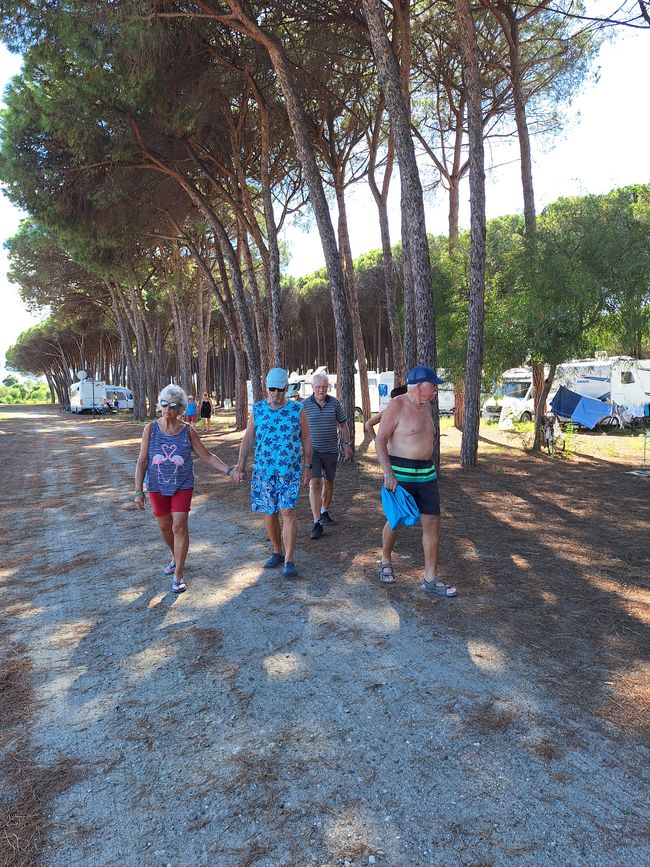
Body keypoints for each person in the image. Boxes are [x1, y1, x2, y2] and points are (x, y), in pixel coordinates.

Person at [133, 384, 235, 594]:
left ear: (180, 408)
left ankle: (178, 574)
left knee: (179, 526)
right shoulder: (150, 429)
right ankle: (175, 555)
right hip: (156, 485)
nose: (167, 409)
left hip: (182, 485)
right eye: (164, 404)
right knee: (165, 527)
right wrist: (138, 490)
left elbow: (206, 456)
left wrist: (229, 470)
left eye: (172, 406)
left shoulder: (188, 431)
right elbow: (142, 461)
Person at [374, 366, 457, 597]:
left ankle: (430, 580)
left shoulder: (426, 407)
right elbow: (380, 440)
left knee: (432, 524)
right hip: (400, 473)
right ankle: (385, 560)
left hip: (426, 474)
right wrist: (388, 473)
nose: (436, 391)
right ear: (420, 386)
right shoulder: (397, 405)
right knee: (396, 520)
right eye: (434, 386)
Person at [232, 368, 312, 578]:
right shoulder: (258, 409)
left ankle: (289, 560)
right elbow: (248, 438)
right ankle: (277, 551)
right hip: (264, 472)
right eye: (272, 389)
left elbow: (306, 439)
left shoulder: (297, 409)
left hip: (290, 471)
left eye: (279, 389)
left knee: (288, 511)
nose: (275, 393)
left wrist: (308, 466)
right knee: (270, 514)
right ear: (266, 388)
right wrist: (240, 464)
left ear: (286, 388)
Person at [301, 373, 353, 539]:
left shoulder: (335, 404)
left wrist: (347, 445)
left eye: (324, 387)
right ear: (312, 388)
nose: (321, 390)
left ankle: (324, 511)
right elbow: (297, 428)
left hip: (330, 450)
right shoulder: (304, 405)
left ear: (328, 387)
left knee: (329, 482)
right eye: (318, 387)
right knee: (315, 483)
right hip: (312, 452)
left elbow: (344, 425)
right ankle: (316, 523)